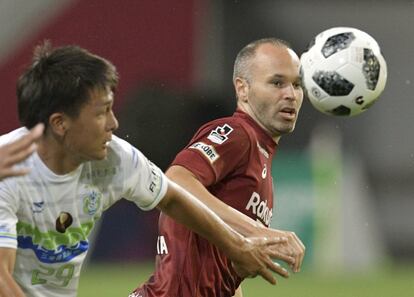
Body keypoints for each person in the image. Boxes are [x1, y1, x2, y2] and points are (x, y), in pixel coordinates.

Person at [0, 42, 295, 297]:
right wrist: (248, 235)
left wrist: (236, 245)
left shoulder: (115, 158)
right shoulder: (7, 172)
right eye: (102, 112)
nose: (114, 123)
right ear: (60, 123)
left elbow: (173, 197)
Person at [132, 38, 306, 297]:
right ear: (242, 89)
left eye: (296, 84)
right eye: (277, 83)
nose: (290, 94)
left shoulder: (260, 156)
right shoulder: (237, 134)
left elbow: (221, 272)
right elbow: (177, 181)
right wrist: (256, 231)